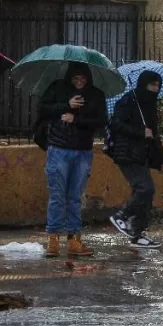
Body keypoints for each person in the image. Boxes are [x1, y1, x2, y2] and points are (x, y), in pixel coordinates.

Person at [35, 62, 107, 258]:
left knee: (75, 197)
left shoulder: (96, 95)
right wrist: (67, 105)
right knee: (57, 195)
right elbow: (42, 109)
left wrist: (76, 118)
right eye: (75, 77)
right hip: (59, 148)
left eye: (83, 78)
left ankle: (74, 239)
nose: (79, 81)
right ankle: (53, 239)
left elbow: (101, 121)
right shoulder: (57, 88)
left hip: (83, 150)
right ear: (70, 77)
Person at [107, 70, 163, 249]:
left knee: (145, 196)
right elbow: (115, 124)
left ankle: (137, 233)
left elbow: (153, 136)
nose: (155, 89)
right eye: (152, 85)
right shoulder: (129, 100)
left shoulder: (148, 105)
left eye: (157, 85)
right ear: (143, 84)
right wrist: (140, 132)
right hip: (126, 154)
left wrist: (160, 160)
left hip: (141, 155)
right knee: (145, 188)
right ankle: (121, 216)